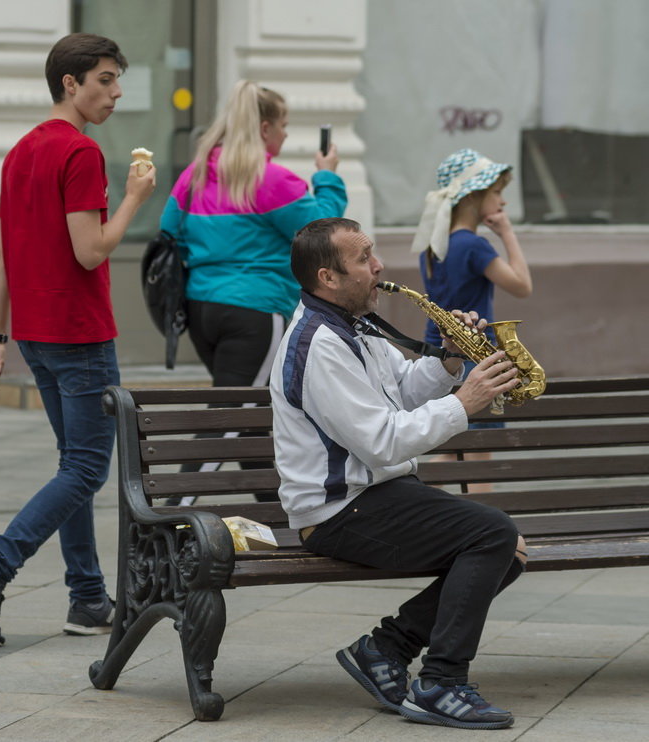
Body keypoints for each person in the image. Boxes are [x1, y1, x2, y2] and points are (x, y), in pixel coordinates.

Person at [270, 217, 527, 730]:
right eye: (363, 258)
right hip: (339, 511)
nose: (379, 266)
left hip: (378, 496)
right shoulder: (319, 344)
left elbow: (404, 387)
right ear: (328, 278)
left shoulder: (351, 325)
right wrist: (465, 403)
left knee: (508, 549)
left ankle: (384, 649)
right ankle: (440, 684)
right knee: (493, 534)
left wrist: (451, 361)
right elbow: (383, 442)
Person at [0, 33, 155, 647]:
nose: (116, 92)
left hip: (37, 335)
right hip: (80, 335)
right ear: (71, 83)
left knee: (74, 465)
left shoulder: (20, 153)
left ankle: (87, 596)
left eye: (117, 79)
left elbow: (0, 256)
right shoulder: (81, 153)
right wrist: (136, 201)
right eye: (105, 80)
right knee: (89, 468)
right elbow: (91, 250)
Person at [158, 80, 347, 503]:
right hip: (255, 315)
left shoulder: (196, 174)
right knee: (230, 418)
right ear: (264, 128)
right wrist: (327, 177)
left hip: (202, 311)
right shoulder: (273, 180)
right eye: (282, 125)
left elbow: (168, 233)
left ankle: (284, 517)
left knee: (250, 417)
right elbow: (326, 235)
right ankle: (168, 515)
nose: (284, 135)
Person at [412, 147, 532, 350]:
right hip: (473, 354)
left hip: (435, 351)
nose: (503, 201)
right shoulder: (473, 245)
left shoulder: (432, 245)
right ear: (470, 196)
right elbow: (522, 287)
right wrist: (507, 233)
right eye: (496, 192)